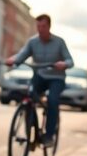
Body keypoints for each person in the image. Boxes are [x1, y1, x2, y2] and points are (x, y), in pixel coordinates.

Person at [6, 14, 74, 147]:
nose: (40, 29)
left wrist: (64, 64)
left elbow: (70, 60)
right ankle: (30, 131)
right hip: (40, 76)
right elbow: (22, 55)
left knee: (52, 100)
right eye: (38, 26)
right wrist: (13, 60)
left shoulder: (59, 42)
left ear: (49, 26)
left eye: (43, 26)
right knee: (29, 96)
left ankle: (49, 136)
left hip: (56, 78)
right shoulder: (32, 42)